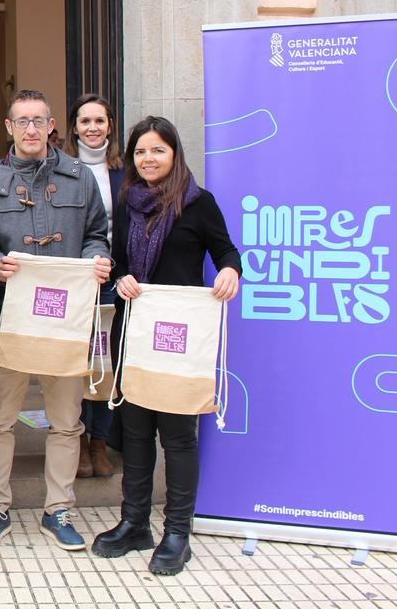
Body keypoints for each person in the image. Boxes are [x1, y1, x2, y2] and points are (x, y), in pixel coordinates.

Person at [90, 116, 240, 576]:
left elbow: (226, 252)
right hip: (135, 330)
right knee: (135, 432)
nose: (148, 159)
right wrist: (119, 276)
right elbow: (119, 263)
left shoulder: (198, 203)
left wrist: (231, 273)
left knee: (177, 436)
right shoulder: (127, 203)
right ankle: (135, 522)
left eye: (157, 150)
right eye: (140, 152)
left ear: (174, 153)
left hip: (179, 339)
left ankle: (178, 532)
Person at [0, 88, 111, 553]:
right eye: (21, 121)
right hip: (8, 317)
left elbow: (95, 234)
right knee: (0, 418)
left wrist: (96, 259)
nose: (31, 129)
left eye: (39, 120)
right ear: (8, 128)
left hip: (65, 320)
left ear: (52, 126)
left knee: (67, 421)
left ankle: (59, 509)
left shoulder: (79, 178)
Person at [63, 94, 124, 479]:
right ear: (73, 127)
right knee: (75, 364)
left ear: (110, 126)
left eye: (99, 120)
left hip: (114, 279)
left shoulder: (124, 171)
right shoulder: (63, 170)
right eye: (84, 121)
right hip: (74, 279)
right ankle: (80, 442)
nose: (92, 127)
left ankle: (100, 443)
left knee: (105, 362)